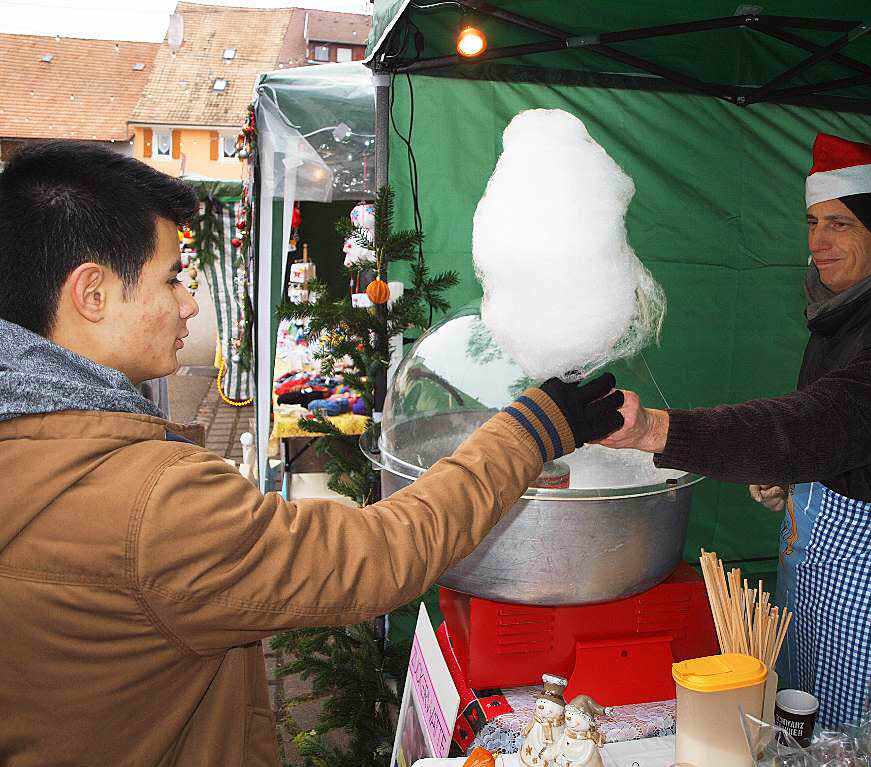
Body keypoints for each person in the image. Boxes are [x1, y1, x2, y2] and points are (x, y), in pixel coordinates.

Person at [0, 141, 624, 766]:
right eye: (171, 276)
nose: (189, 302)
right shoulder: (151, 504)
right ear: (93, 294)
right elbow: (381, 556)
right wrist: (531, 431)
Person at [599, 133, 871, 729]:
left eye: (841, 224)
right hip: (823, 578)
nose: (818, 242)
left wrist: (652, 429)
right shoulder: (856, 307)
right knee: (798, 714)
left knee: (850, 737)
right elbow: (844, 436)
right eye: (812, 221)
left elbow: (806, 426)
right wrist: (794, 480)